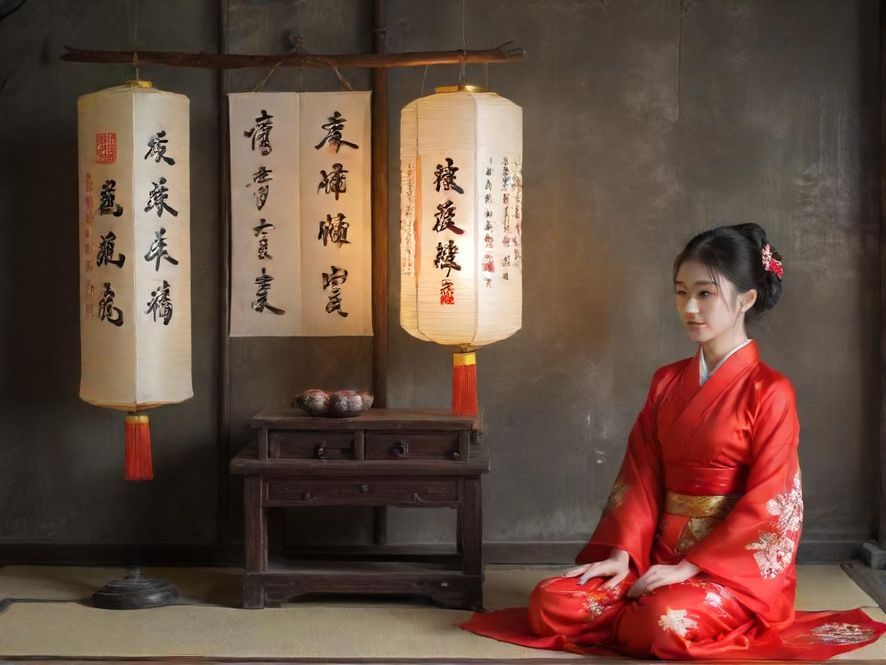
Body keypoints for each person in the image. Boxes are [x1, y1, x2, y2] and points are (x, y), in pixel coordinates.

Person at [460, 224, 885, 659]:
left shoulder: (770, 391)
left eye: (705, 294)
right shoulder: (666, 382)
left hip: (727, 569)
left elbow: (771, 501)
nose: (689, 307)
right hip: (654, 552)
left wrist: (690, 566)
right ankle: (636, 607)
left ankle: (644, 613)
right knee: (553, 601)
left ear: (746, 299)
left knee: (663, 620)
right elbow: (640, 475)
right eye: (681, 293)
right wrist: (623, 554)